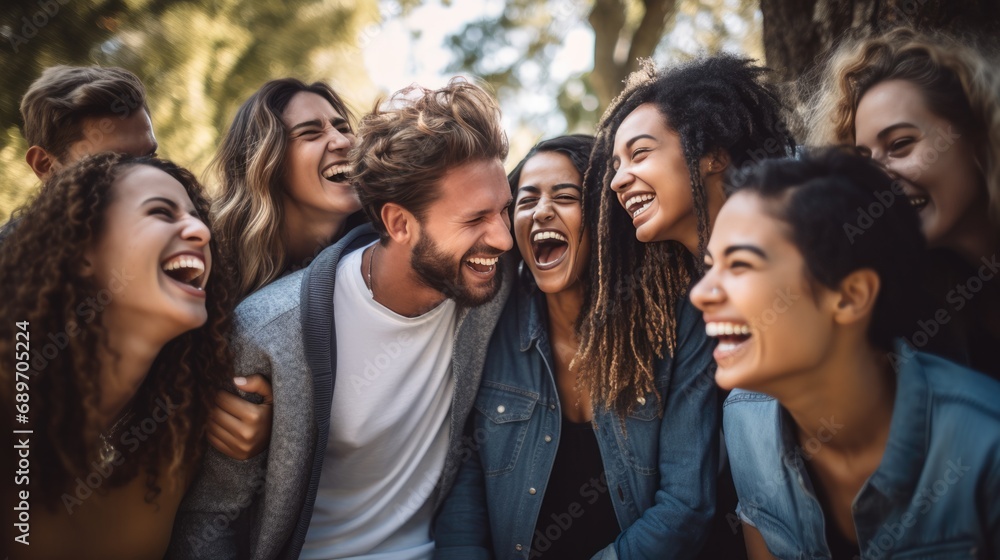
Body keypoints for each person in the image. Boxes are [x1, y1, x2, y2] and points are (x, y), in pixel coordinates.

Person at [170, 78, 515, 560]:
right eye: (476, 219)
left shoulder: (493, 286)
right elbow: (210, 515)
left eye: (505, 211)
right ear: (398, 223)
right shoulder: (260, 326)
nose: (504, 238)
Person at [691, 148, 1000, 559]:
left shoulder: (986, 449)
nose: (701, 293)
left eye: (740, 264)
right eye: (710, 266)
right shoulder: (743, 418)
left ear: (851, 296)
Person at [433, 134, 718, 559]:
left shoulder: (674, 321)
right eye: (526, 201)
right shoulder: (493, 321)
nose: (542, 210)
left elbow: (686, 504)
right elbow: (466, 487)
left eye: (565, 196)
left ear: (606, 216)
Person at [576, 55, 796, 558]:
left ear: (710, 153)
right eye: (615, 165)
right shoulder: (683, 300)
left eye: (640, 154)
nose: (617, 180)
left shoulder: (809, 240)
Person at [5, 64, 273, 462]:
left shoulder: (188, 261)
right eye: (112, 164)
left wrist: (256, 424)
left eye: (149, 157)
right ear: (45, 166)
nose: (144, 177)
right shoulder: (11, 288)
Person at [0, 153, 234, 559]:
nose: (201, 231)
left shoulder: (182, 427)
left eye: (198, 217)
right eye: (161, 212)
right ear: (82, 250)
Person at [808, 27, 1000, 378]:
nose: (878, 178)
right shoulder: (923, 305)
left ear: (978, 137)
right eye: (863, 160)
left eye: (899, 145)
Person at [211, 78, 367, 301]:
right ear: (266, 164)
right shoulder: (216, 274)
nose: (342, 141)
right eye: (311, 133)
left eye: (343, 128)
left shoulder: (391, 244)